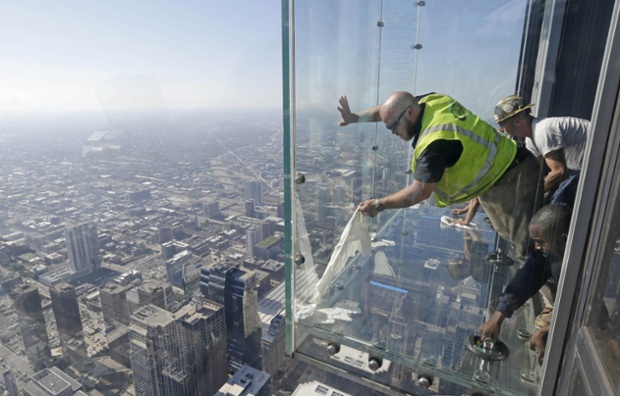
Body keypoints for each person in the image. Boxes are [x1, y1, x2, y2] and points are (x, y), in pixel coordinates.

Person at [338, 91, 543, 263]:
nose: (392, 132)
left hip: (512, 180)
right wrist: (355, 118)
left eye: (393, 126)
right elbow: (387, 109)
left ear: (409, 113)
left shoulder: (434, 142)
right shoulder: (431, 102)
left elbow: (419, 193)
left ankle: (554, 300)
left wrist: (379, 204)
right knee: (516, 239)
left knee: (530, 249)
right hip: (499, 176)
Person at [478, 204, 572, 365]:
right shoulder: (553, 251)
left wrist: (551, 329)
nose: (537, 247)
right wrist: (498, 316)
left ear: (563, 237)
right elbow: (529, 274)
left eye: (541, 241)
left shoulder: (587, 264)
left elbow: (590, 313)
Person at [494, 95, 589, 207]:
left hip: (601, 164)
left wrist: (530, 197)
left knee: (560, 204)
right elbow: (532, 174)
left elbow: (558, 172)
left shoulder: (543, 130)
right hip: (585, 169)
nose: (500, 129)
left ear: (516, 121)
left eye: (502, 123)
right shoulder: (532, 140)